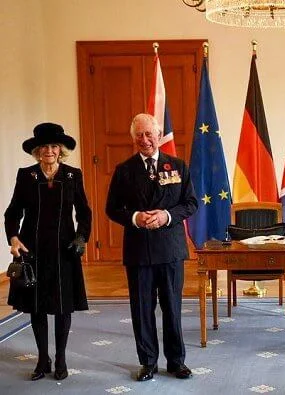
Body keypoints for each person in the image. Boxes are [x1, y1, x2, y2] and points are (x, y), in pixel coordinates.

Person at [106, 113, 198, 381]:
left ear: (159, 136)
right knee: (142, 309)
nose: (144, 140)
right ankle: (147, 362)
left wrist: (166, 216)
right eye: (139, 135)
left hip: (170, 250)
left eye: (149, 134)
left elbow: (191, 203)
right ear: (133, 138)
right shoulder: (125, 170)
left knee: (172, 308)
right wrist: (135, 217)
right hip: (138, 251)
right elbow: (112, 208)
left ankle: (176, 361)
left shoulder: (178, 166)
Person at [4, 123, 91, 381]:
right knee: (37, 307)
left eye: (54, 146)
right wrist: (14, 237)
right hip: (32, 251)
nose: (49, 151)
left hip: (64, 251)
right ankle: (43, 358)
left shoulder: (73, 175)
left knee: (63, 307)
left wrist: (81, 237)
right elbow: (13, 212)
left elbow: (85, 213)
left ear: (61, 150)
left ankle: (61, 358)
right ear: (37, 151)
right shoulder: (26, 175)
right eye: (44, 147)